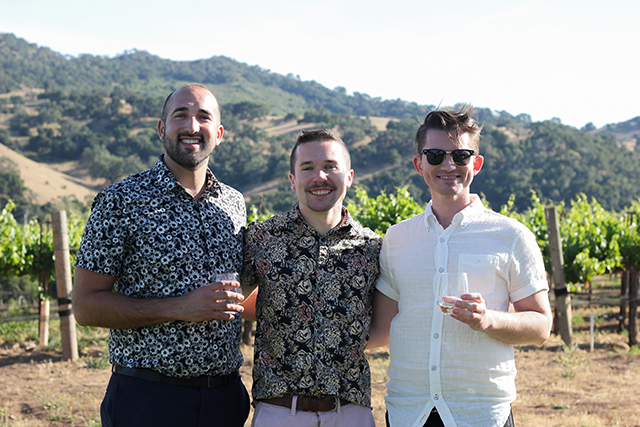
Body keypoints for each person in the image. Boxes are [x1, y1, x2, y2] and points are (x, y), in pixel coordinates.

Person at [73, 83, 250, 427]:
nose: (192, 126)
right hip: (147, 400)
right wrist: (178, 308)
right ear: (161, 128)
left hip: (225, 399)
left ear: (219, 133)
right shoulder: (120, 201)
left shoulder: (234, 203)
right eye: (180, 115)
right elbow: (85, 306)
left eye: (203, 117)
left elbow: (239, 294)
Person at [368, 106, 553, 427]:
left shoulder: (512, 236)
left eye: (461, 155)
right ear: (419, 164)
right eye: (435, 155)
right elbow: (382, 328)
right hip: (408, 412)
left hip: (480, 414)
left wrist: (488, 320)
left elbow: (541, 326)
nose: (448, 165)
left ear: (476, 164)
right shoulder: (397, 238)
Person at [240, 129, 382, 427]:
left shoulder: (372, 248)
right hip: (279, 413)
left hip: (350, 413)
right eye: (307, 168)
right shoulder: (261, 238)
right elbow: (231, 302)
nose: (320, 176)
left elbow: (385, 321)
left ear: (349, 176)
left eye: (330, 166)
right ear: (293, 179)